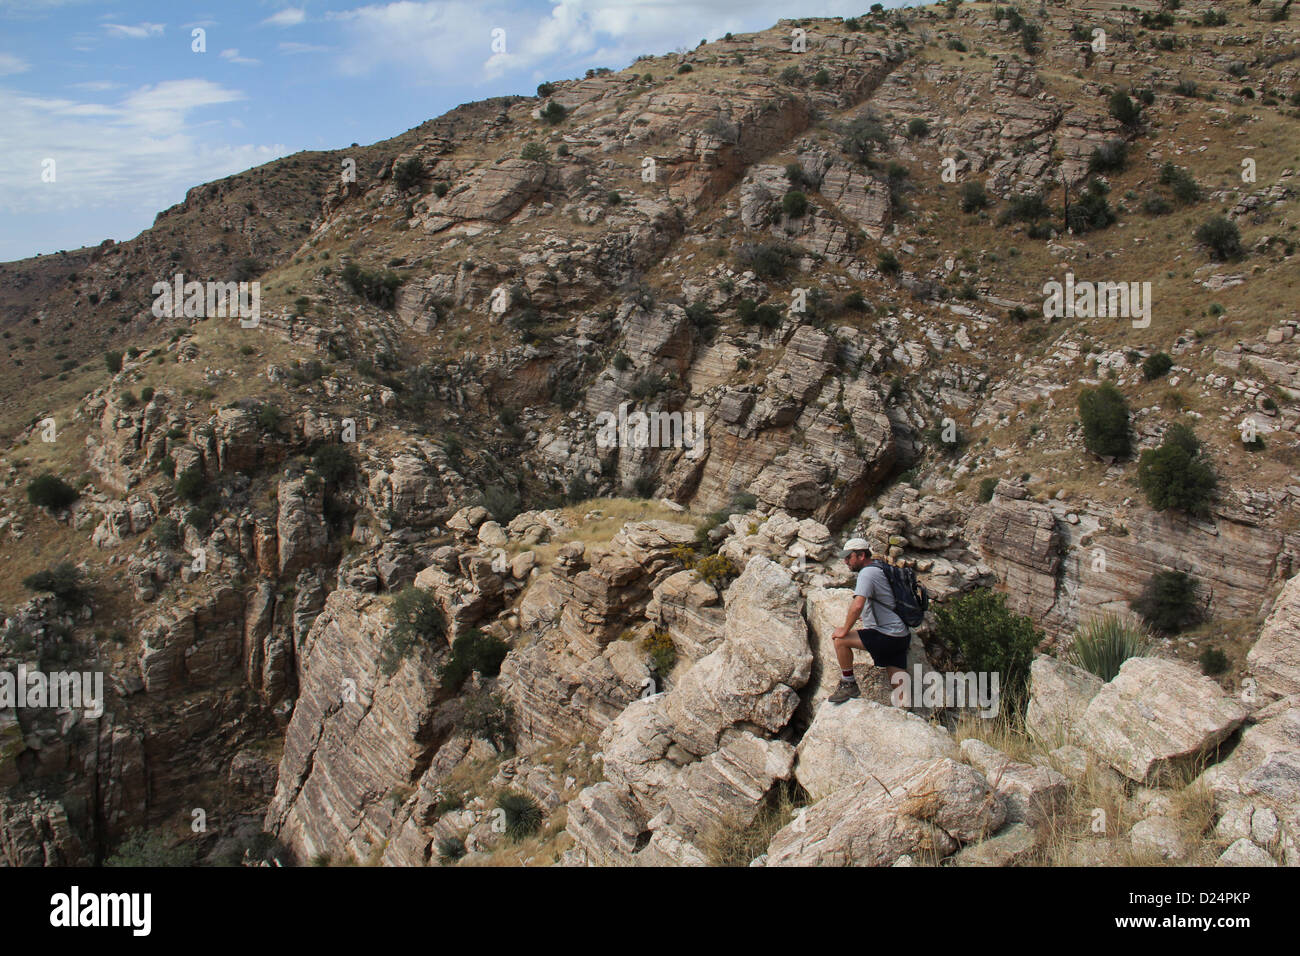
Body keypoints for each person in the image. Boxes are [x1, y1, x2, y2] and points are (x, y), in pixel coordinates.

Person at [828, 537, 910, 704]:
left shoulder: (867, 573)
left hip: (886, 634)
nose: (845, 562)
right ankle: (905, 709)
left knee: (840, 640)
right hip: (900, 634)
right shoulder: (880, 568)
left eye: (848, 557)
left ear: (861, 556)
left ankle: (849, 683)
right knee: (896, 674)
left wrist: (844, 629)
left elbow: (857, 604)